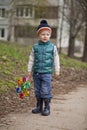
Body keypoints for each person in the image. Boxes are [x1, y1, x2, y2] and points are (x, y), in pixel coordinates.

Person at [28, 20, 60, 116]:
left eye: (47, 34)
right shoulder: (35, 47)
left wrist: (57, 70)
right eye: (42, 34)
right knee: (37, 90)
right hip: (36, 73)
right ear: (39, 35)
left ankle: (47, 107)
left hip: (47, 73)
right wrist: (29, 71)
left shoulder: (52, 47)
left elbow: (56, 59)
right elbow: (31, 59)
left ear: (50, 35)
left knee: (45, 90)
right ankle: (39, 106)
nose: (45, 36)